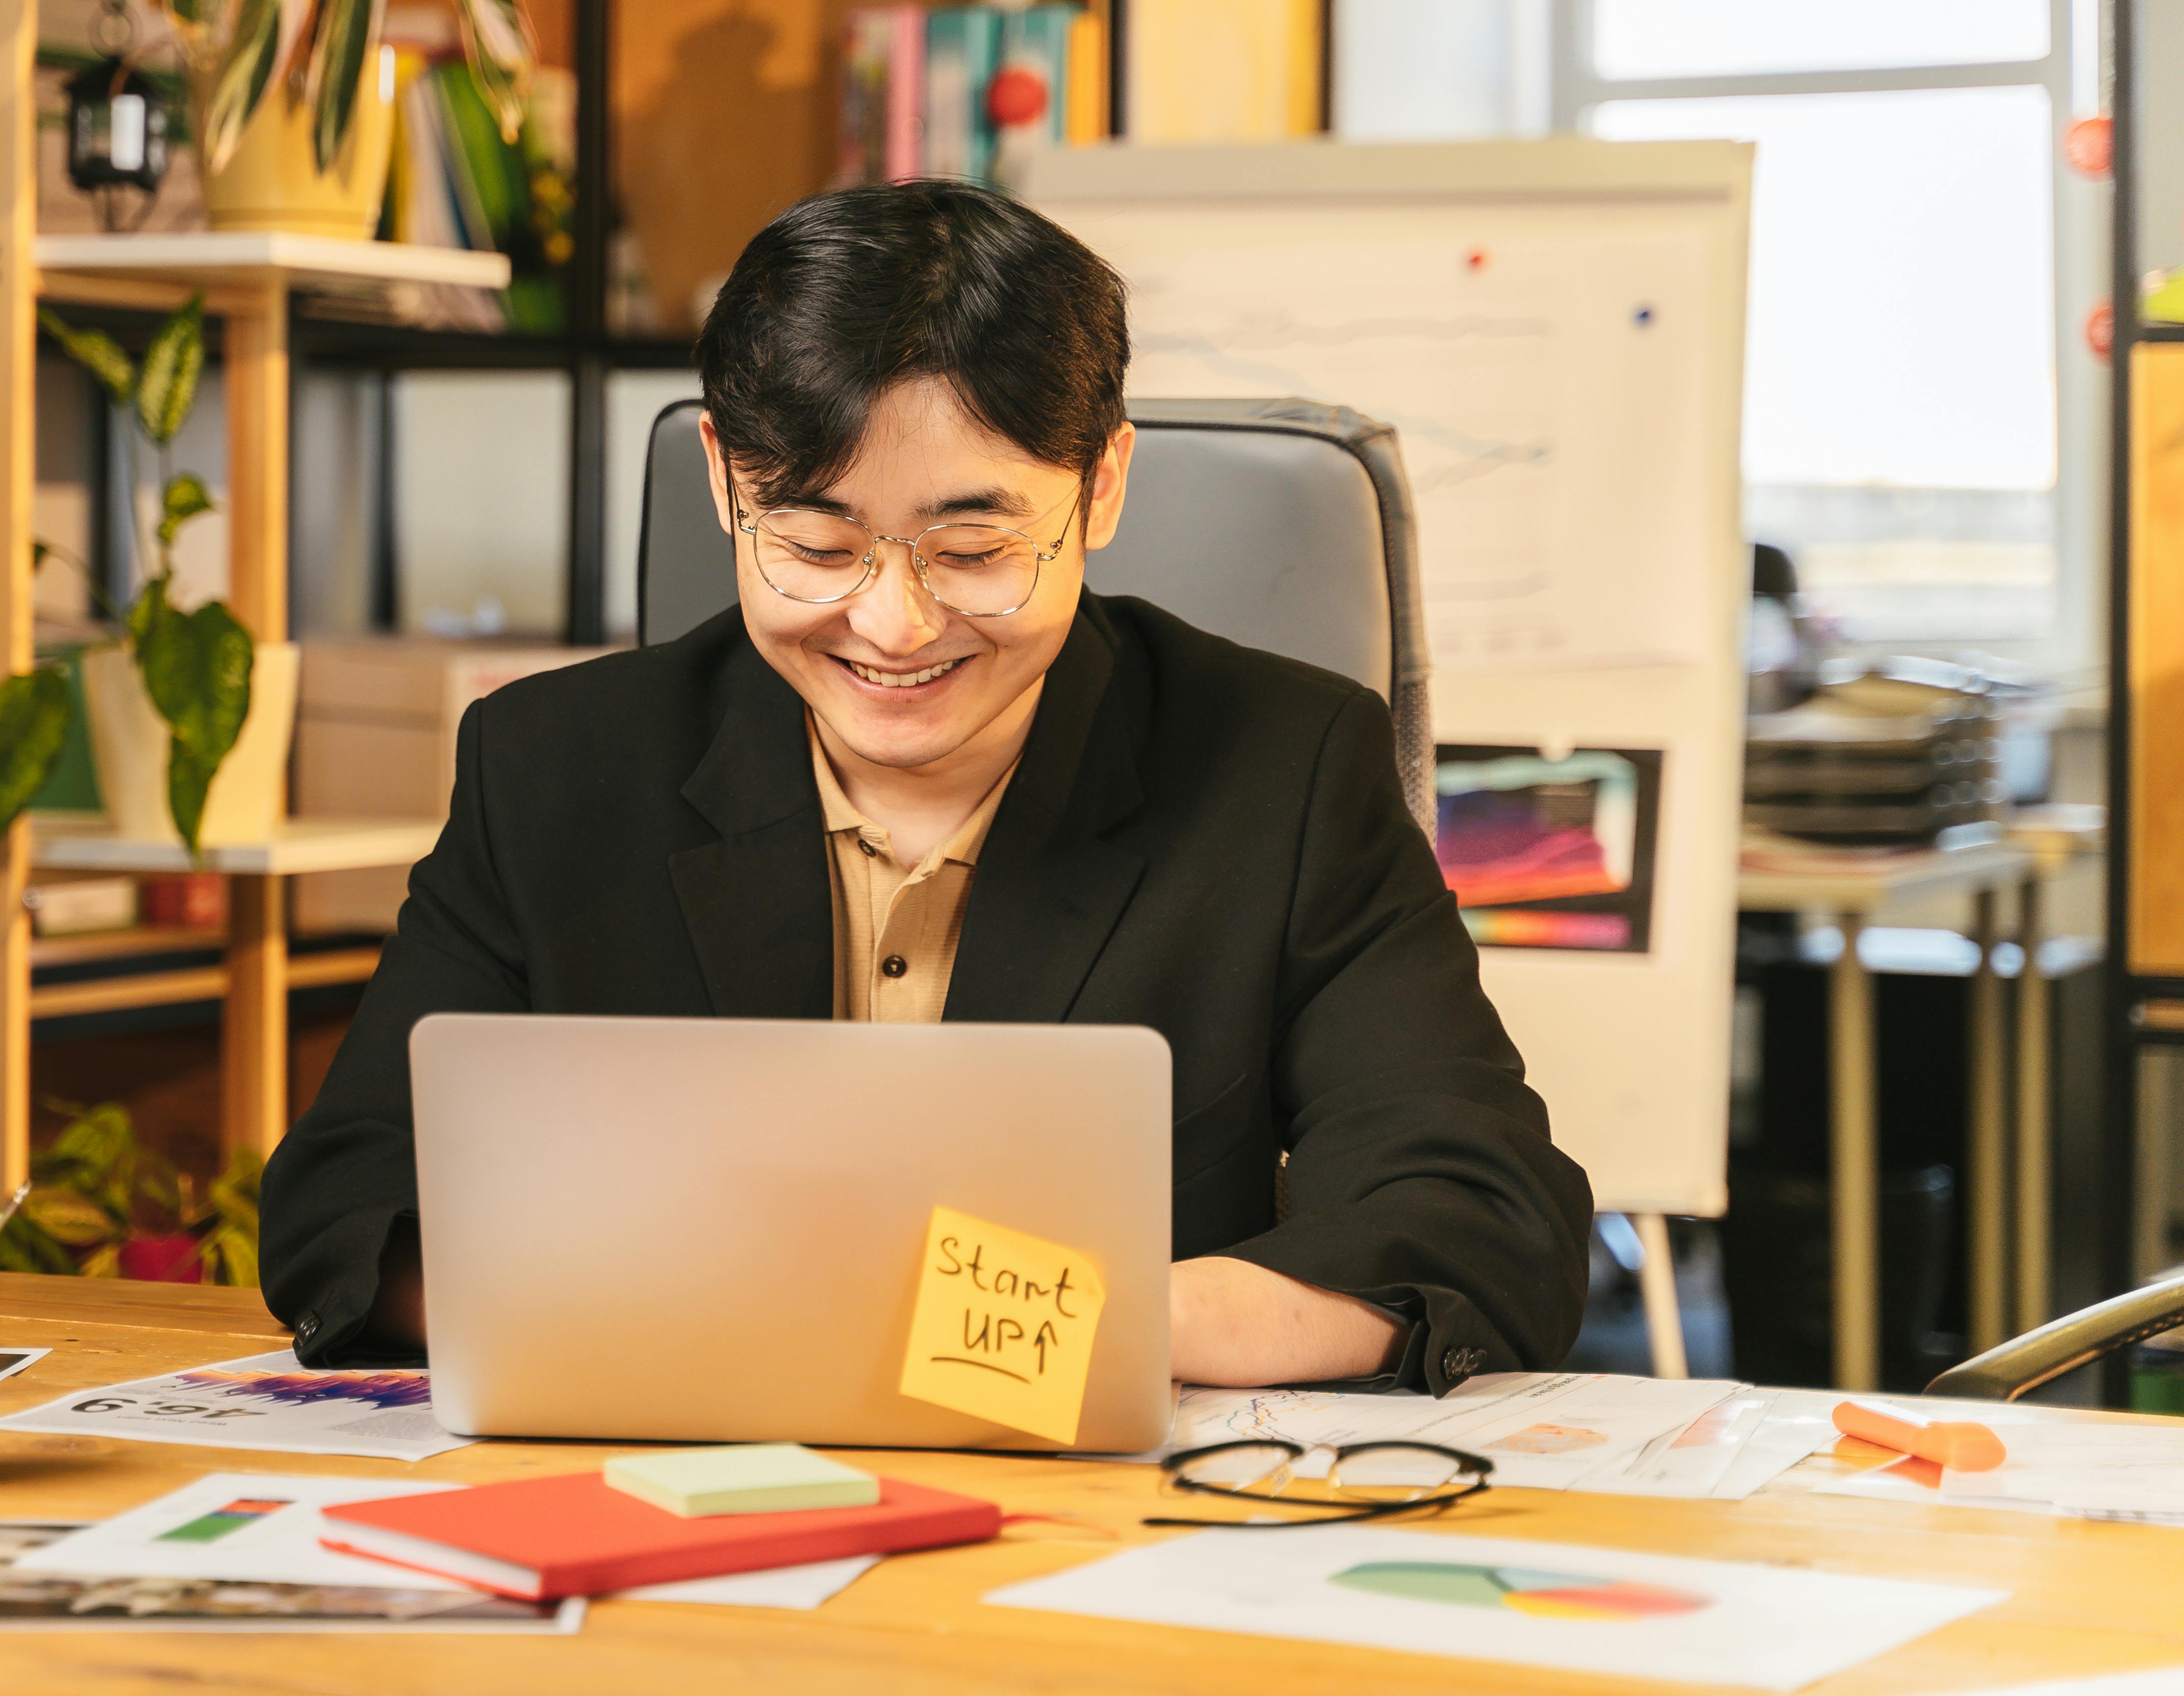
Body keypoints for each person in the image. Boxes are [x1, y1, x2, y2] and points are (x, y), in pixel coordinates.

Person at [262, 180, 1592, 1389]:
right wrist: (702, 1322)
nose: (892, 625)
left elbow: (1478, 1218)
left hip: (1099, 1509)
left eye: (971, 549)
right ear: (725, 482)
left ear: (1102, 486)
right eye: (815, 544)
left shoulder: (1282, 768)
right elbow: (346, 1204)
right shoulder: (553, 769)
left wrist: (1028, 1336)